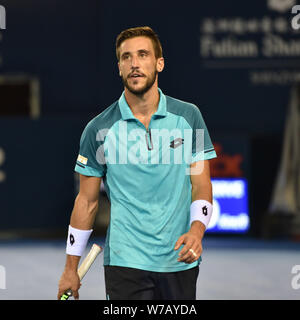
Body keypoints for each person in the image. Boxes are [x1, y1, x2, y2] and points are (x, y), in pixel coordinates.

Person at [57, 26, 217, 300]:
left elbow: (200, 184)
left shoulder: (189, 117)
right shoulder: (99, 130)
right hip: (125, 262)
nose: (134, 64)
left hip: (179, 260)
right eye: (126, 57)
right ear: (118, 67)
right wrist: (70, 268)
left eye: (143, 55)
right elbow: (86, 202)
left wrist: (196, 230)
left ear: (159, 63)